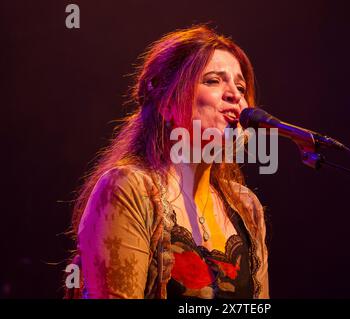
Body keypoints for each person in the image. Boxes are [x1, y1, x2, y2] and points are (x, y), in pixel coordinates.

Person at [65, 25, 269, 299]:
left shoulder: (246, 208)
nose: (235, 94)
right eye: (212, 81)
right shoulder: (129, 188)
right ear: (166, 102)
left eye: (241, 86)